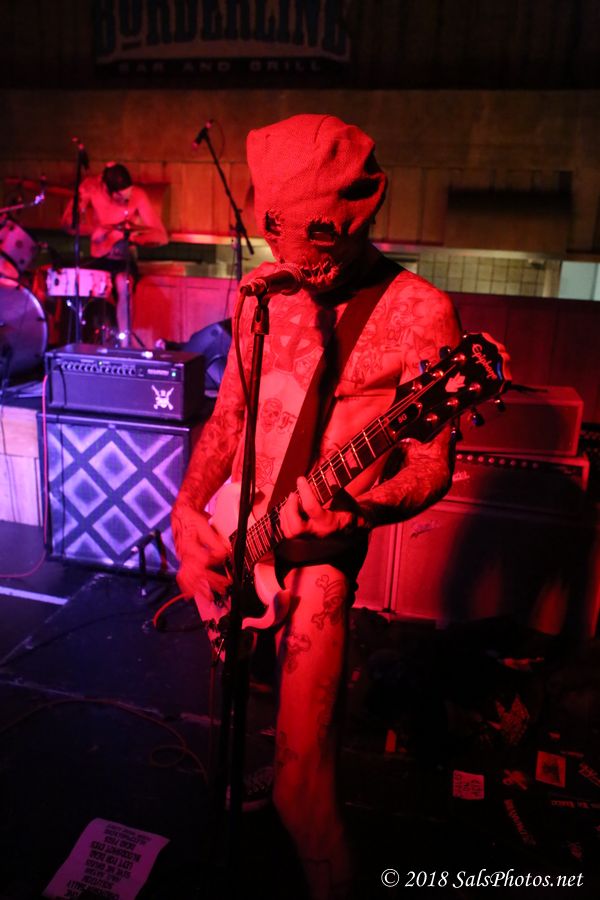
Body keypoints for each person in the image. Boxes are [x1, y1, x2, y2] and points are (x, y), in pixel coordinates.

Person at [171, 114, 462, 900]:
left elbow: (431, 464)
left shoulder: (418, 313)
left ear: (359, 215)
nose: (300, 261)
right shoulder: (261, 297)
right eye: (283, 237)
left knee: (304, 795)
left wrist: (360, 514)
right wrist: (187, 511)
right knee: (239, 734)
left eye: (319, 240)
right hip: (239, 533)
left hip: (321, 559)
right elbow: (230, 417)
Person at [61, 162, 168, 345]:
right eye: (119, 198)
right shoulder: (92, 188)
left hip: (123, 259)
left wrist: (132, 237)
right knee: (74, 283)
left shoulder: (138, 195)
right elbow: (67, 224)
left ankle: (125, 343)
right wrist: (94, 230)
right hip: (99, 258)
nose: (124, 201)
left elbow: (161, 236)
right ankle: (77, 342)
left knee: (123, 284)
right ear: (107, 189)